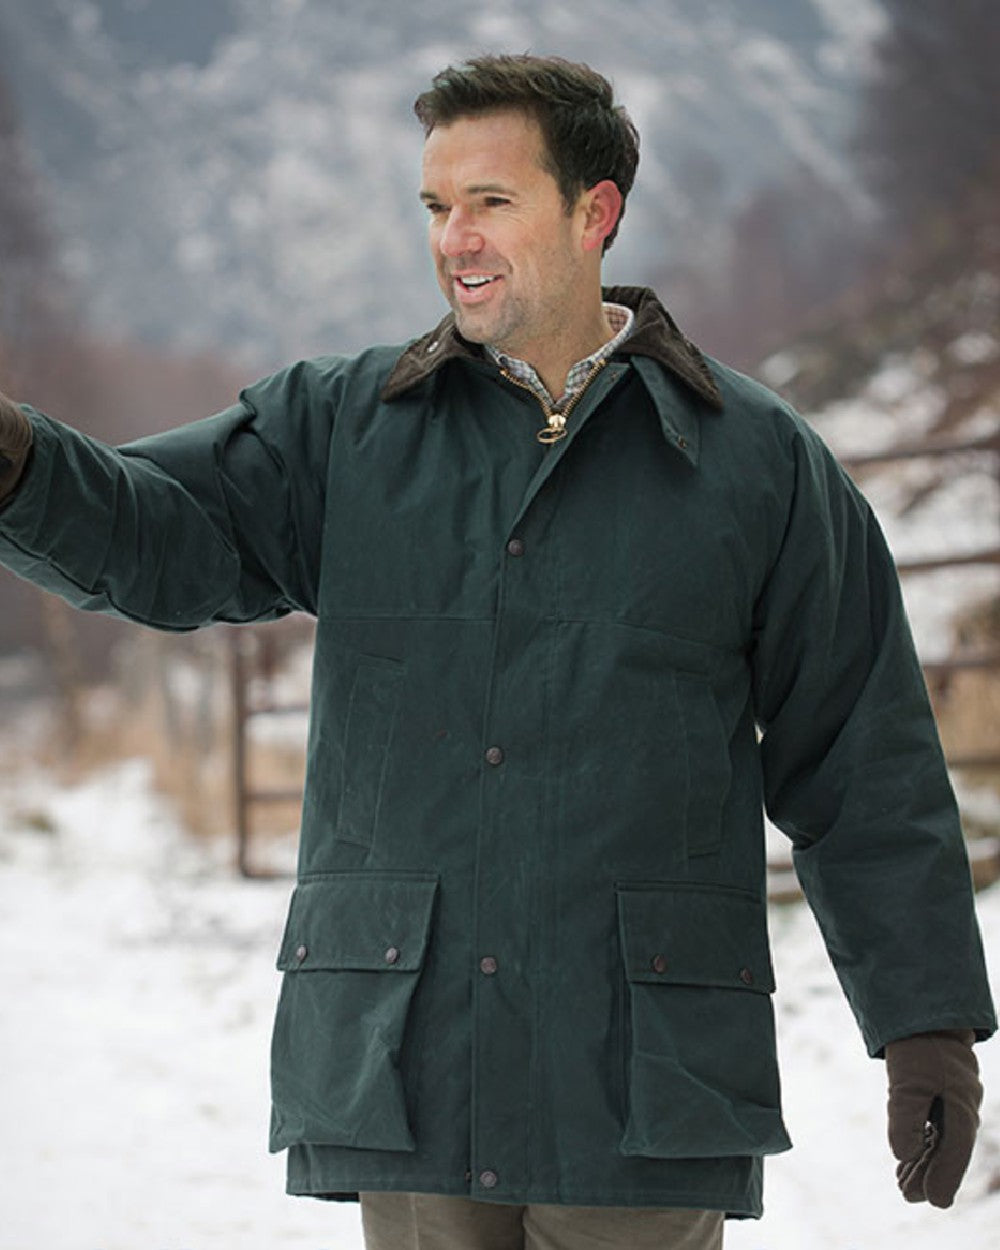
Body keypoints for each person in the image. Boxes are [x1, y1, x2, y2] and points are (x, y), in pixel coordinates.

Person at [0, 53, 994, 1250]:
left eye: (490, 201)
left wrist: (926, 1023)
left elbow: (861, 754)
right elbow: (150, 534)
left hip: (640, 1088)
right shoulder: (345, 429)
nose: (453, 239)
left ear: (594, 212)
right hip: (413, 1058)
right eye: (435, 205)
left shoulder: (756, 462)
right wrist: (14, 458)